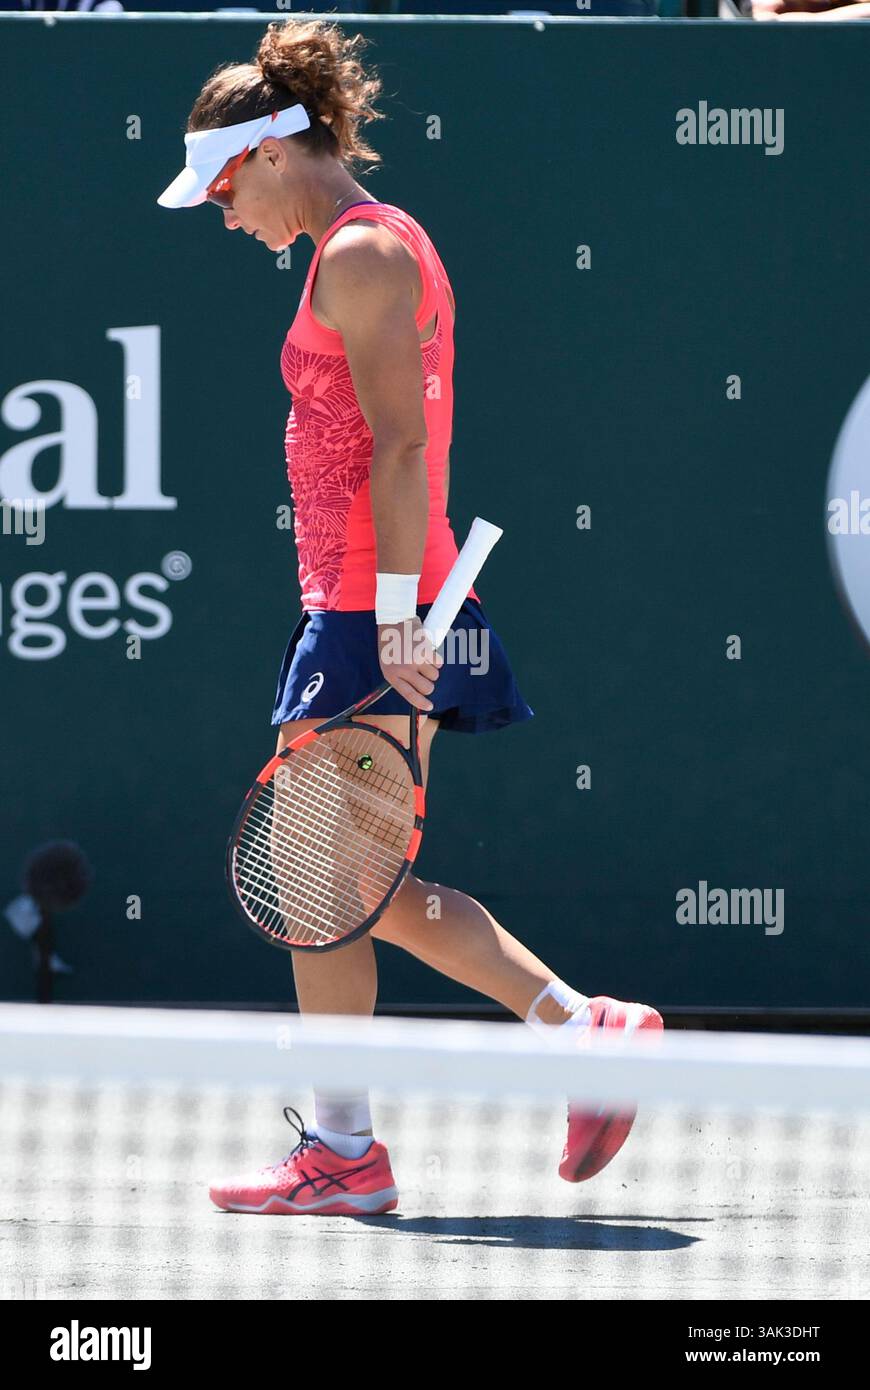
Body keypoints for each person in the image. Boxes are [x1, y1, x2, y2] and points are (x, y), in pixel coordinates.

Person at [157, 16, 663, 1217]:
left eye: (225, 188)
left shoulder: (359, 255)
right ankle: (576, 1028)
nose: (226, 216)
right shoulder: (362, 244)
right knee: (354, 886)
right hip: (368, 596)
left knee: (324, 883)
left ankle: (351, 1147)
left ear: (274, 152)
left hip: (372, 602)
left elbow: (400, 446)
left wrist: (389, 619)